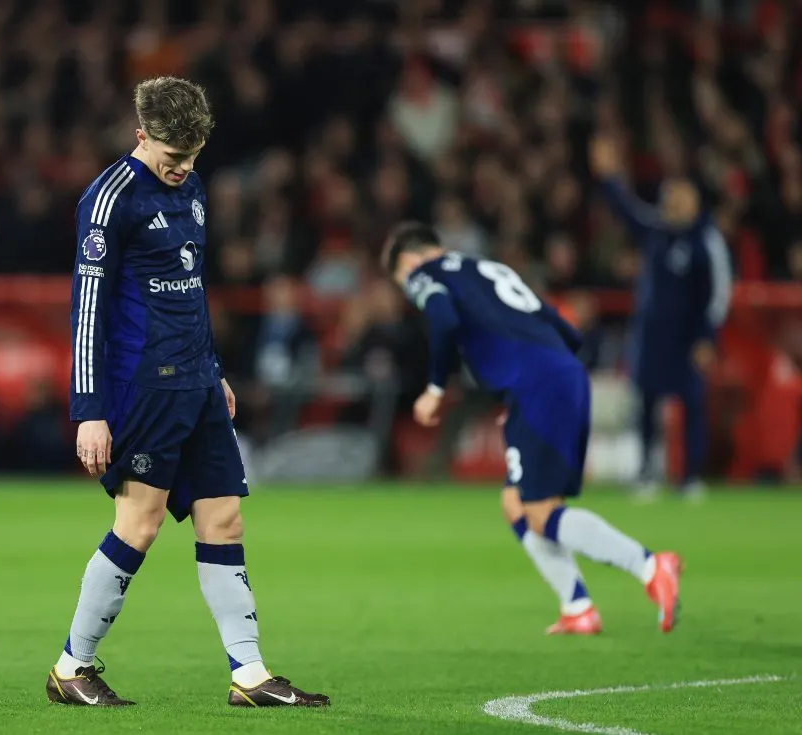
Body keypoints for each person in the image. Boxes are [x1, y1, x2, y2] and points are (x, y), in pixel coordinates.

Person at [50, 76, 329, 708]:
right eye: (173, 159)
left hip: (198, 384)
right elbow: (86, 311)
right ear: (141, 135)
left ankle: (250, 676)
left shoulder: (193, 184)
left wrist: (213, 368)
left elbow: (188, 288)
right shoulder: (108, 200)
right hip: (143, 388)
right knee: (140, 525)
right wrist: (89, 412)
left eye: (193, 158)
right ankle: (72, 666)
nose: (183, 170)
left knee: (225, 519)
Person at [382, 222, 683, 636]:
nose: (407, 289)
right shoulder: (485, 268)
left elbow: (443, 317)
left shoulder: (425, 273)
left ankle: (650, 565)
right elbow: (564, 328)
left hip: (537, 383)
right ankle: (577, 606)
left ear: (409, 260)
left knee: (541, 512)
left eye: (402, 280)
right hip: (560, 374)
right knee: (516, 503)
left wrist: (436, 387)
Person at [590, 137, 732, 500]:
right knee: (646, 406)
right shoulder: (656, 231)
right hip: (652, 336)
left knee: (692, 407)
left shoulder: (706, 241)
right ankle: (646, 473)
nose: (672, 205)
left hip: (687, 337)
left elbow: (717, 294)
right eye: (669, 199)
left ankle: (689, 478)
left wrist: (707, 338)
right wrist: (608, 178)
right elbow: (627, 210)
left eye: (679, 199)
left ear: (694, 202)